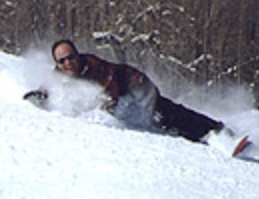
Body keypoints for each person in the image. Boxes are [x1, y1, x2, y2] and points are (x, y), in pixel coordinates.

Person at [24, 39, 228, 144]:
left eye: (71, 57)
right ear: (57, 64)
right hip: (124, 97)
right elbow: (50, 87)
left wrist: (103, 113)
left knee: (161, 113)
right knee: (153, 124)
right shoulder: (61, 73)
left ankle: (214, 130)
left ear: (78, 54)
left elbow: (110, 90)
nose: (68, 63)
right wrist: (39, 97)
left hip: (135, 85)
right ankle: (195, 137)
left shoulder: (94, 66)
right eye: (62, 60)